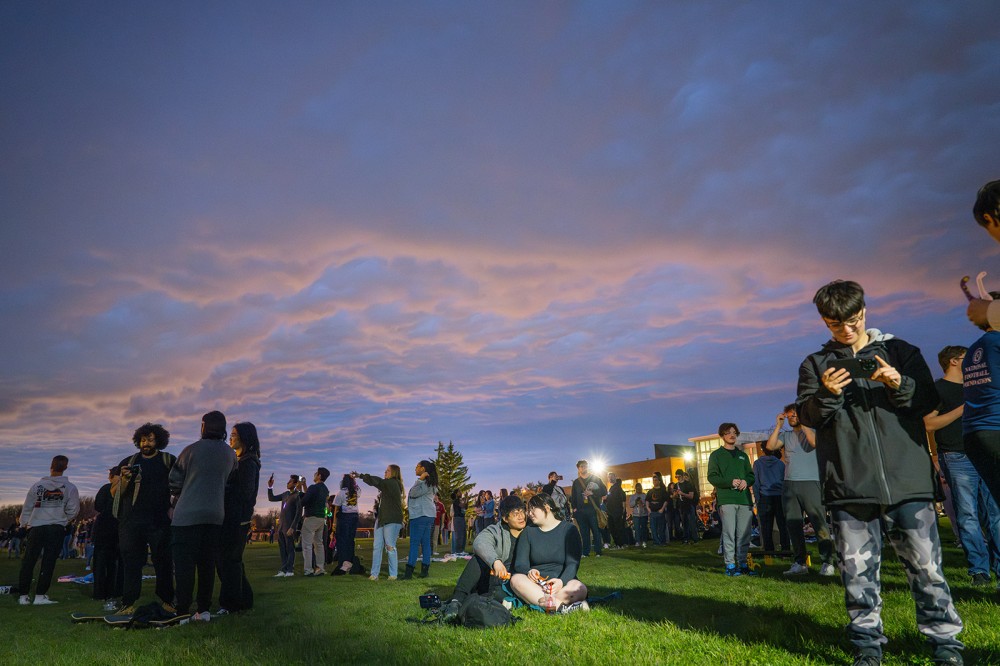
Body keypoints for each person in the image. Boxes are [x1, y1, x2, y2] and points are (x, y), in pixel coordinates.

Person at [798, 279, 962, 666]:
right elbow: (807, 417)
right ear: (825, 321)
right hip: (849, 486)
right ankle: (868, 646)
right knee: (857, 574)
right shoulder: (815, 364)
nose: (847, 330)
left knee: (927, 570)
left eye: (853, 320)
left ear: (865, 311)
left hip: (908, 481)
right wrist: (827, 394)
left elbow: (927, 402)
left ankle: (946, 645)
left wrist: (897, 383)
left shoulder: (901, 351)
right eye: (836, 324)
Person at [926, 345, 1000, 586]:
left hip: (986, 454)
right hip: (957, 456)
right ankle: (979, 570)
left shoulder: (978, 386)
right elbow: (929, 424)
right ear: (954, 362)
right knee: (967, 515)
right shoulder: (939, 389)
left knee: (994, 514)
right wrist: (962, 409)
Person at [169, 410, 238, 621]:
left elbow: (174, 480)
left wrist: (183, 494)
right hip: (215, 516)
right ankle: (204, 609)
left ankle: (182, 610)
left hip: (186, 516)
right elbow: (230, 481)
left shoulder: (190, 451)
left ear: (203, 427)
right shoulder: (230, 455)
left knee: (184, 566)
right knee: (207, 565)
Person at [112, 422, 177, 615]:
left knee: (163, 561)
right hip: (131, 521)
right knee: (131, 562)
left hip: (159, 520)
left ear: (158, 440)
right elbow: (114, 492)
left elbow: (180, 486)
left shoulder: (168, 460)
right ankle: (128, 602)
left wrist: (173, 508)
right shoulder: (128, 461)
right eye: (142, 439)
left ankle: (167, 600)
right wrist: (123, 479)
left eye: (150, 439)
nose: (145, 443)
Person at [764, 404, 835, 576]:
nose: (792, 416)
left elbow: (814, 443)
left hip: (811, 482)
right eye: (790, 414)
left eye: (796, 413)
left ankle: (828, 562)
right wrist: (779, 426)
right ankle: (799, 562)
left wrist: (803, 422)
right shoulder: (785, 435)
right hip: (789, 484)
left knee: (819, 524)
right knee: (794, 525)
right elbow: (770, 446)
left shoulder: (813, 431)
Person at [510, 493, 588, 613]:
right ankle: (562, 608)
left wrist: (561, 581)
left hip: (561, 583)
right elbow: (520, 563)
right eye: (528, 510)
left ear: (546, 507)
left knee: (580, 588)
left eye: (532, 509)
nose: (529, 514)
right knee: (516, 580)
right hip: (536, 585)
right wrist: (529, 571)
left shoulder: (569, 530)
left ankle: (543, 602)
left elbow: (572, 563)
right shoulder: (528, 532)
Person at [17, 455, 80, 605]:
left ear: (51, 467)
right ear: (65, 468)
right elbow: (74, 510)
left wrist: (23, 524)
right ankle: (39, 596)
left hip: (37, 526)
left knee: (29, 561)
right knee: (48, 562)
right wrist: (64, 520)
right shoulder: (70, 488)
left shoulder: (37, 486)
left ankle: (23, 596)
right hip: (56, 527)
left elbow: (27, 508)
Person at [446, 495, 527, 605]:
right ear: (505, 518)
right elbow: (480, 542)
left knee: (491, 597)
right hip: (495, 576)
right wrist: (495, 561)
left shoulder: (530, 532)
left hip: (517, 581)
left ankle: (481, 600)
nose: (521, 517)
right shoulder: (497, 530)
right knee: (478, 559)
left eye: (522, 512)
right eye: (515, 514)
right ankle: (457, 599)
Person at [217, 422, 261, 613]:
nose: (230, 438)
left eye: (234, 434)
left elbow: (245, 492)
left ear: (244, 437)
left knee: (229, 561)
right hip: (231, 516)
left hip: (237, 518)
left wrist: (224, 488)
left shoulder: (248, 463)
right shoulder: (239, 460)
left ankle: (231, 604)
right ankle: (244, 599)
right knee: (229, 561)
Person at [707, 423, 755, 576]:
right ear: (722, 435)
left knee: (744, 534)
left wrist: (746, 481)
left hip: (744, 499)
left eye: (734, 432)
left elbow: (751, 475)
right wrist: (730, 482)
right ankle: (730, 565)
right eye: (728, 432)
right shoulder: (716, 455)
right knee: (729, 533)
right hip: (727, 499)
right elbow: (712, 476)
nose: (732, 435)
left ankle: (742, 563)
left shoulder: (743, 455)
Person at [357, 465, 405, 580]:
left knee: (390, 546)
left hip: (392, 519)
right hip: (382, 519)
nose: (385, 472)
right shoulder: (387, 486)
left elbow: (377, 481)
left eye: (387, 471)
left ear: (393, 473)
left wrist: (361, 476)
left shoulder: (393, 483)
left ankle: (393, 575)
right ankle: (374, 574)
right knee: (377, 546)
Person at [92, 466, 123, 610]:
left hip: (108, 530)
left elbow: (98, 506)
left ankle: (104, 591)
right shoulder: (108, 489)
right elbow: (99, 506)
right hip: (111, 530)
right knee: (108, 563)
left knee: (106, 563)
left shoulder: (108, 489)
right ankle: (106, 591)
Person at [402, 460, 439, 579]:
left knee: (414, 543)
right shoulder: (430, 483)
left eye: (417, 466)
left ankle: (408, 573)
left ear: (423, 469)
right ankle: (424, 571)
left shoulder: (424, 483)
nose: (415, 468)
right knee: (426, 543)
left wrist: (419, 479)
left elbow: (413, 493)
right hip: (428, 515)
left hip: (420, 515)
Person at [752, 447, 790, 554]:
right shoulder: (781, 464)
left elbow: (756, 483)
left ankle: (769, 552)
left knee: (766, 527)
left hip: (765, 496)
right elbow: (785, 481)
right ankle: (786, 550)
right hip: (779, 496)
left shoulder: (758, 464)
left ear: (763, 450)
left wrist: (757, 498)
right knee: (783, 526)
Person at [266, 474, 302, 577]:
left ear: (295, 484)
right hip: (281, 526)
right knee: (282, 548)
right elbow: (271, 498)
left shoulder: (297, 496)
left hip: (289, 526)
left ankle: (290, 570)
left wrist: (293, 527)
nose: (287, 483)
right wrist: (270, 487)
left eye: (290, 481)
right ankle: (283, 569)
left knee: (290, 548)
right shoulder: (285, 494)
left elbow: (298, 513)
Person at [570, 460, 607, 557]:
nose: (583, 468)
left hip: (593, 509)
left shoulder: (595, 478)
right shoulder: (576, 482)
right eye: (581, 466)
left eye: (585, 466)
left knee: (596, 531)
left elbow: (604, 491)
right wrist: (574, 508)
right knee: (584, 532)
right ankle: (585, 552)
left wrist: (593, 493)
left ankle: (598, 551)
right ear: (578, 468)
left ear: (587, 467)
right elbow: (573, 497)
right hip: (581, 511)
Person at [299, 467, 331, 577]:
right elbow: (312, 495)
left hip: (311, 517)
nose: (314, 475)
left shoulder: (314, 487)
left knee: (307, 545)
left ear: (319, 476)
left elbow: (305, 500)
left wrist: (300, 491)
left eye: (316, 473)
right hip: (321, 518)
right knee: (319, 544)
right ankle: (320, 568)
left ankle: (308, 570)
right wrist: (304, 486)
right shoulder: (325, 489)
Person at [331, 474, 360, 575]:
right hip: (355, 517)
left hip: (345, 518)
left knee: (342, 541)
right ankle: (350, 561)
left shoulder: (341, 493)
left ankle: (343, 563)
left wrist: (334, 522)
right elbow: (357, 487)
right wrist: (354, 479)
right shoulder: (356, 491)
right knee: (350, 541)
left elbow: (336, 508)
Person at [647, 472, 669, 546]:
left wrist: (662, 509)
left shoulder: (663, 491)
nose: (654, 482)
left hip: (660, 512)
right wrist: (648, 509)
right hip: (652, 512)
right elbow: (647, 500)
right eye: (653, 480)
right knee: (653, 529)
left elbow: (666, 500)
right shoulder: (650, 491)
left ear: (659, 481)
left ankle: (662, 542)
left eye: (656, 480)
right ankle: (656, 542)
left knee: (661, 528)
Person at [604, 477, 628, 548]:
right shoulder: (614, 489)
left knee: (616, 528)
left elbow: (623, 502)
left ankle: (619, 544)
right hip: (613, 511)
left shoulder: (618, 490)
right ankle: (619, 543)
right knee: (615, 528)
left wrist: (622, 512)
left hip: (616, 512)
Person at [627, 483, 649, 548]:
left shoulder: (644, 495)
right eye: (637, 488)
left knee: (644, 528)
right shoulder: (632, 496)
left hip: (644, 514)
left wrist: (643, 503)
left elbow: (647, 504)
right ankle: (638, 541)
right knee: (637, 529)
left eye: (640, 487)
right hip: (636, 515)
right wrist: (635, 501)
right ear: (635, 488)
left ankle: (644, 541)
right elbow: (631, 505)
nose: (639, 489)